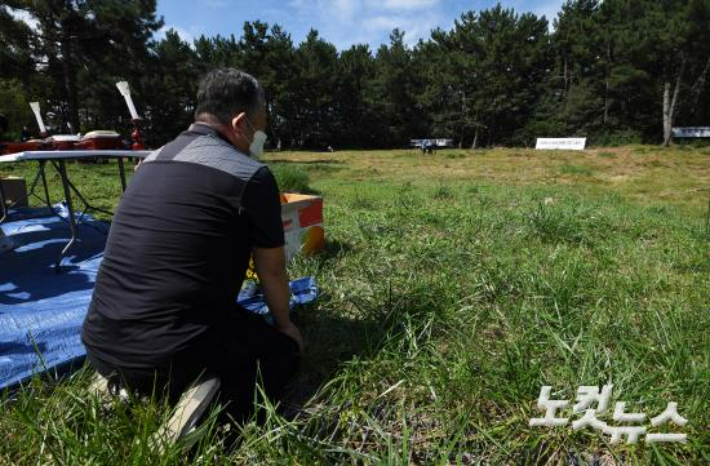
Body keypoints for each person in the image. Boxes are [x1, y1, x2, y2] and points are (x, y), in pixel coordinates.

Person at [81, 68, 303, 422]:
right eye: (261, 126)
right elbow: (271, 269)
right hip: (174, 351)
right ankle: (200, 410)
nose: (261, 135)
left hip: (100, 339)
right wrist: (286, 326)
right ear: (241, 122)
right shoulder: (250, 176)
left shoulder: (149, 161)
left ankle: (122, 386)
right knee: (282, 353)